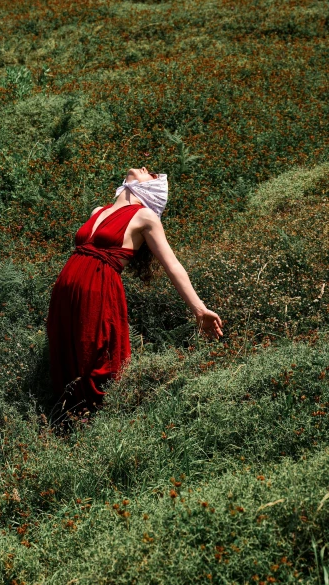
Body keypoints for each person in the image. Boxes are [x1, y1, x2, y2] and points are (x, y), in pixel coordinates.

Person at [46, 166, 223, 421]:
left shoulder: (145, 217)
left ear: (152, 189)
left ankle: (98, 421)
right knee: (65, 350)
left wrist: (199, 308)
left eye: (149, 173)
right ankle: (65, 421)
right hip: (66, 292)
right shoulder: (99, 210)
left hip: (98, 291)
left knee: (93, 354)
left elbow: (173, 266)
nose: (144, 168)